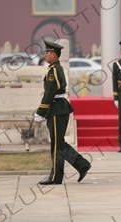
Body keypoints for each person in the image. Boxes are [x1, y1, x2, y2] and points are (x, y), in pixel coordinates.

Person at [34, 40, 91, 185]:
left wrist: (41, 111)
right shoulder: (54, 68)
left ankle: (55, 176)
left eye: (47, 52)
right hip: (58, 107)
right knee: (58, 143)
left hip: (56, 108)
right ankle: (81, 165)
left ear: (53, 54)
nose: (46, 55)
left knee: (56, 144)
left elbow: (49, 93)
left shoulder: (54, 70)